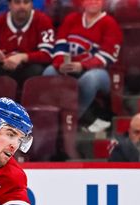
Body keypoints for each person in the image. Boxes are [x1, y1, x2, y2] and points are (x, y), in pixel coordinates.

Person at [44, 0, 122, 128]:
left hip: (101, 72)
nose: (94, 2)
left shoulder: (110, 23)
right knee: (49, 71)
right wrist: (60, 64)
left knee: (89, 79)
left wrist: (83, 65)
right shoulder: (71, 19)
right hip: (70, 67)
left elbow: (107, 56)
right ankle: (51, 116)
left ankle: (72, 119)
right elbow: (60, 44)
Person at [0, 0, 55, 87]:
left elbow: (48, 54)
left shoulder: (42, 20)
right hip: (2, 67)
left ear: (31, 4)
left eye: (26, 2)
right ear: (9, 5)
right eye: (17, 2)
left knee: (36, 70)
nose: (22, 6)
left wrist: (23, 57)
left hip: (27, 67)